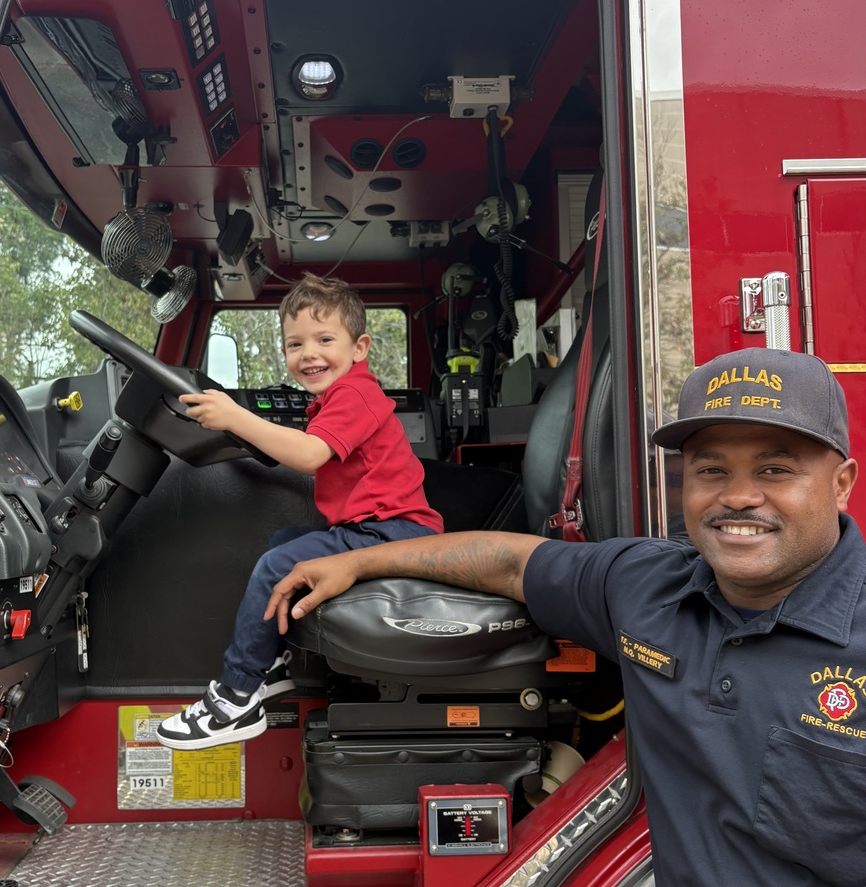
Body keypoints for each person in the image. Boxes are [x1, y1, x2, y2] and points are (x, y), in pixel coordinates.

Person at [266, 347, 865, 887]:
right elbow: (505, 561)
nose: (737, 496)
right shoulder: (648, 588)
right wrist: (359, 562)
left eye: (775, 470)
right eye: (711, 470)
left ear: (841, 485)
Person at [157, 272, 443, 751]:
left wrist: (236, 417)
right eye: (295, 344)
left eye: (324, 339)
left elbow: (310, 455)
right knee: (283, 544)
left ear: (360, 348)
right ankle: (271, 660)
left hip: (394, 535)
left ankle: (235, 697)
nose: (308, 353)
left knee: (277, 565)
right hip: (381, 530)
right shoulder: (337, 397)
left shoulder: (355, 395)